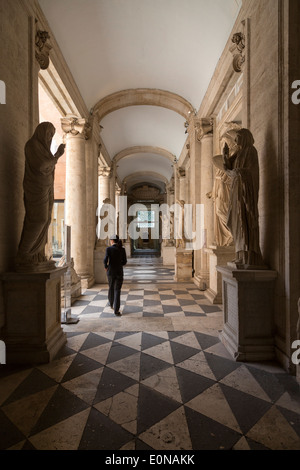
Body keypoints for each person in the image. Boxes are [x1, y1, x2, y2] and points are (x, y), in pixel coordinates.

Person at [16, 122, 65, 268]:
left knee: (46, 220)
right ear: (41, 132)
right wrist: (57, 156)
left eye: (52, 135)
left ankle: (36, 253)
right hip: (36, 188)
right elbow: (41, 166)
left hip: (46, 187)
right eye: (49, 134)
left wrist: (54, 156)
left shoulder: (44, 149)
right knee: (39, 219)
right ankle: (24, 254)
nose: (50, 137)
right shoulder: (32, 145)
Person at [223, 128, 264, 267]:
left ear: (245, 137)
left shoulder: (251, 151)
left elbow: (251, 172)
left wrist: (238, 172)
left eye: (238, 137)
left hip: (245, 191)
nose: (236, 140)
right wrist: (226, 156)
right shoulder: (239, 153)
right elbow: (228, 169)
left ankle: (248, 257)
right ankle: (239, 255)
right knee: (235, 221)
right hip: (236, 190)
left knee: (244, 221)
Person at [104, 235, 127, 316]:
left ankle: (111, 303)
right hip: (119, 272)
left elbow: (105, 260)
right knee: (117, 290)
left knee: (111, 287)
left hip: (111, 271)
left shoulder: (109, 249)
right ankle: (116, 310)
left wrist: (106, 267)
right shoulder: (122, 249)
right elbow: (124, 262)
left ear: (112, 241)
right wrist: (119, 265)